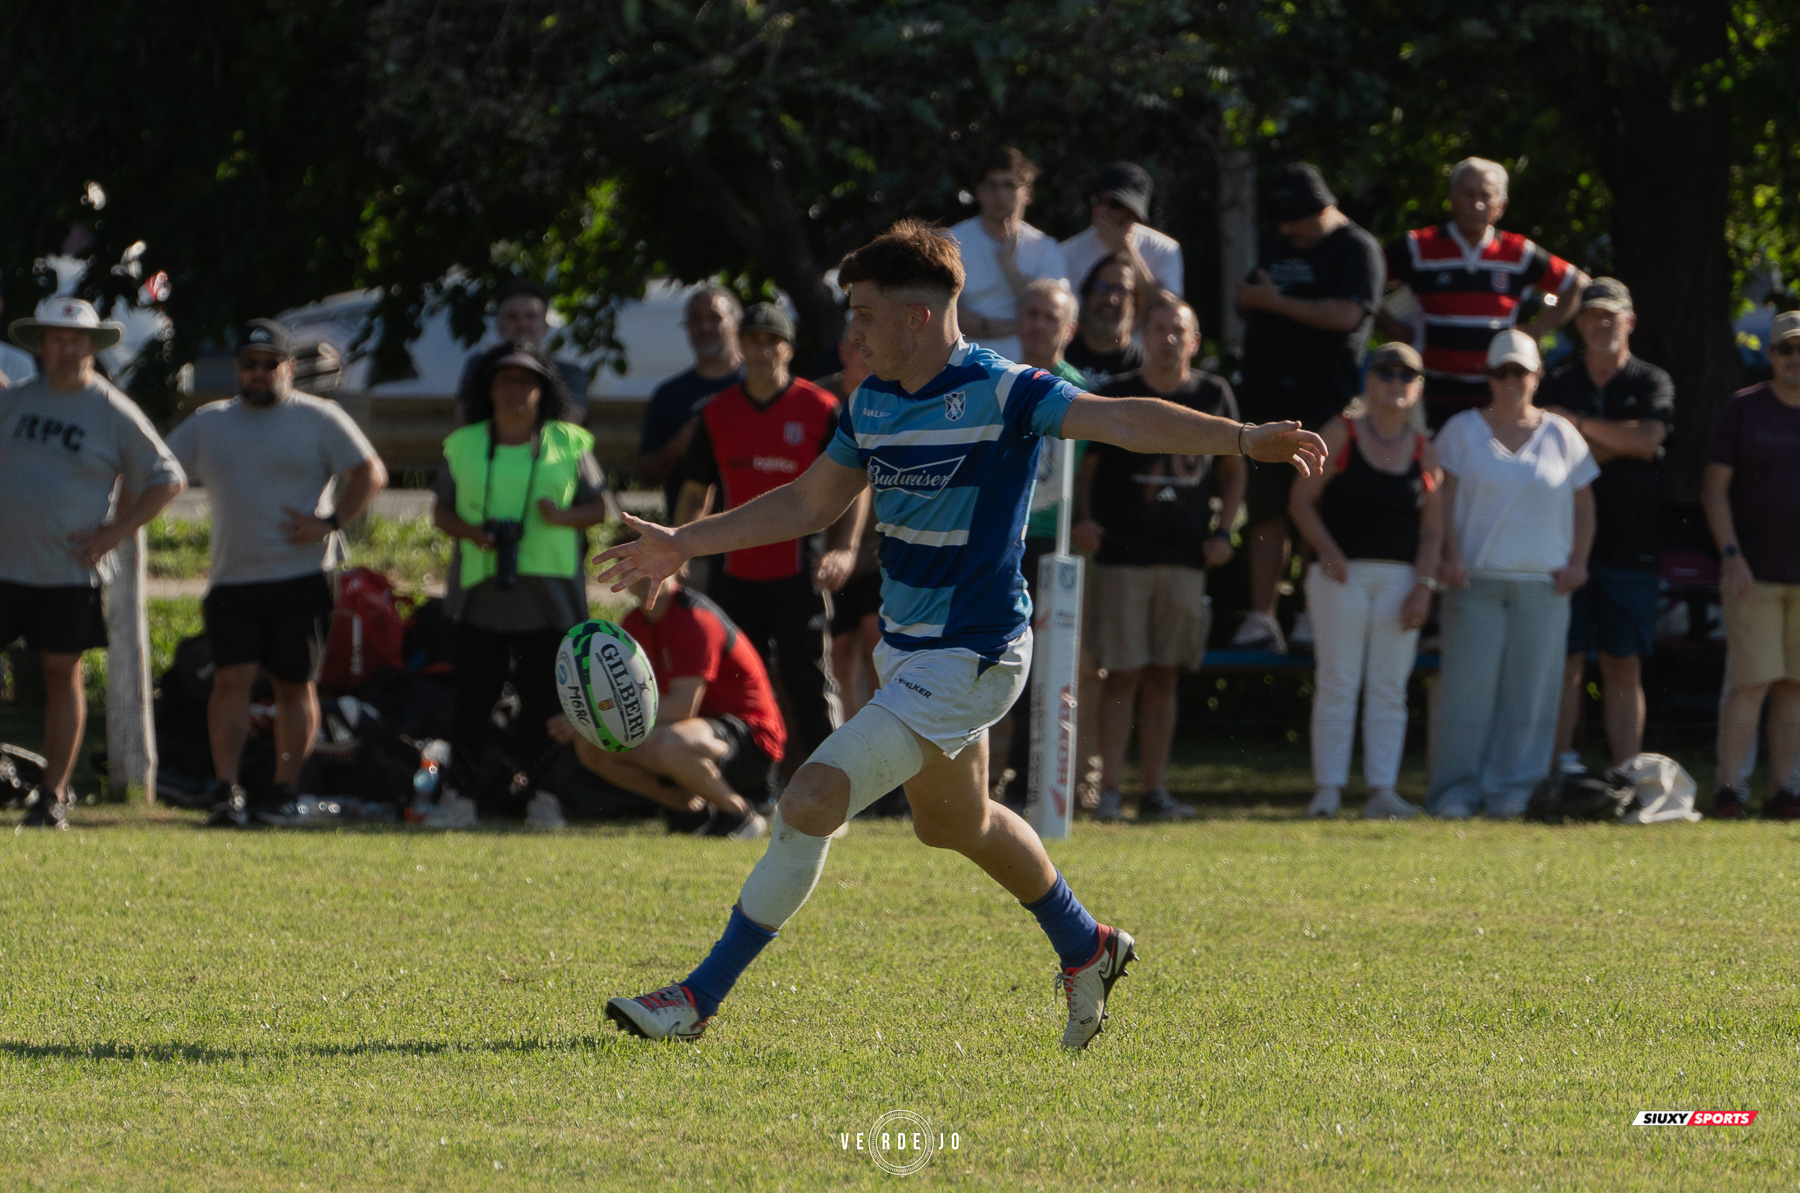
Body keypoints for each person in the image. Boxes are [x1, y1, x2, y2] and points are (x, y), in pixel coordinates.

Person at [593, 220, 1324, 1049]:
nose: (853, 332)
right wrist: (683, 541)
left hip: (975, 655)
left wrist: (1237, 438)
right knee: (955, 823)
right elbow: (806, 503)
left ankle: (696, 997)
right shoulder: (869, 401)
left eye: (864, 314)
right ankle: (1088, 945)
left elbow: (1120, 420)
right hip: (908, 652)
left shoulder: (1003, 388)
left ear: (916, 317)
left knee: (809, 798)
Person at [165, 319, 387, 827]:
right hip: (232, 577)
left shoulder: (318, 417)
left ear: (288, 368)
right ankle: (227, 789)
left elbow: (370, 472)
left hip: (303, 575)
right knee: (231, 680)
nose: (260, 374)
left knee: (294, 684)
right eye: (250, 365)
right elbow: (158, 468)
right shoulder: (209, 422)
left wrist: (330, 521)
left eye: (270, 364)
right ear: (238, 369)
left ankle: (285, 790)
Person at [0, 297, 186, 828]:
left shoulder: (111, 409)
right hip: (4, 565)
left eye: (76, 340)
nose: (65, 349)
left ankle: (52, 795)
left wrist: (118, 531)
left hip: (67, 570)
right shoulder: (13, 403)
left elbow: (166, 477)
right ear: (40, 345)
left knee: (62, 673)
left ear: (92, 347)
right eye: (56, 339)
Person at [429, 341, 616, 827]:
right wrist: (474, 533)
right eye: (506, 380)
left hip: (551, 600)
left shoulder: (570, 443)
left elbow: (602, 508)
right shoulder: (464, 443)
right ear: (488, 389)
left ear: (543, 390)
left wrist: (561, 516)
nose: (516, 390)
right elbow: (440, 511)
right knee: (471, 703)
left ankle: (545, 798)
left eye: (527, 381)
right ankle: (460, 797)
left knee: (548, 705)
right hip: (478, 596)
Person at [1075, 293, 1244, 823]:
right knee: (1120, 675)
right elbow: (1087, 468)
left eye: (1180, 330)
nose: (1169, 338)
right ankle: (1107, 793)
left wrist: (1224, 531)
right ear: (1142, 336)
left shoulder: (1212, 393)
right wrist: (1084, 519)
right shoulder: (1119, 394)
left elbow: (1237, 467)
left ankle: (1156, 791)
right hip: (1124, 557)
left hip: (1186, 559)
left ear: (1195, 341)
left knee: (1165, 675)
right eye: (1160, 328)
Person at [673, 303, 865, 764]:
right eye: (753, 340)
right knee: (741, 685)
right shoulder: (716, 413)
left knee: (809, 682)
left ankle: (834, 783)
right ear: (740, 345)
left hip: (798, 572)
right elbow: (696, 490)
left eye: (771, 340)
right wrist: (675, 551)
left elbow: (855, 486)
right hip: (733, 574)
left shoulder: (820, 408)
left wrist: (845, 548)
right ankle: (756, 785)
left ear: (788, 348)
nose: (762, 350)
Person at [1428, 330, 1597, 819]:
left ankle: (1514, 792)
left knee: (1533, 695)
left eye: (1519, 371)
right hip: (1473, 582)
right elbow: (1442, 500)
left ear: (1536, 376)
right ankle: (1454, 793)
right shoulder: (1460, 430)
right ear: (1488, 377)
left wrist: (1579, 563)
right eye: (1500, 372)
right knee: (1466, 694)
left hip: (1543, 586)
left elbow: (1585, 505)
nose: (1510, 381)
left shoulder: (1562, 434)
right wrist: (1450, 558)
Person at [1232, 163, 1386, 653]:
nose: (1285, 229)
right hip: (1266, 401)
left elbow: (1346, 313)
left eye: (1295, 219)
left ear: (1321, 210)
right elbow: (1253, 295)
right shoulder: (1281, 246)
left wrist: (1275, 304)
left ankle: (1309, 617)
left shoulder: (1357, 249)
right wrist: (1251, 301)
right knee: (1265, 509)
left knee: (1315, 507)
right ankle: (1262, 617)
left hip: (1325, 407)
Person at [1288, 343, 1444, 819]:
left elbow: (1434, 528)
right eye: (1386, 373)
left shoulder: (1425, 448)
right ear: (1368, 380)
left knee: (1389, 688)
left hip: (1401, 579)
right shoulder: (1342, 432)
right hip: (1340, 576)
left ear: (1418, 387)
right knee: (1337, 681)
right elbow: (1301, 501)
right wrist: (1329, 550)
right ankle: (1328, 791)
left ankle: (1382, 792)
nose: (1396, 383)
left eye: (1406, 375)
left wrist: (1424, 585)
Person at [1538, 279, 1675, 770]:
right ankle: (1557, 771)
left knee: (1623, 663)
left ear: (1629, 322)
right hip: (1563, 543)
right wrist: (1618, 440)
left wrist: (1576, 426)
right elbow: (1545, 449)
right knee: (1565, 664)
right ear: (1578, 324)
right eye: (1592, 316)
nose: (1601, 324)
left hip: (1631, 544)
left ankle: (1627, 775)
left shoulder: (1650, 381)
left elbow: (1649, 438)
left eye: (1610, 316)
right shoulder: (1555, 380)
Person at [550, 575, 782, 839]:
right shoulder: (633, 623)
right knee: (592, 746)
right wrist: (584, 719)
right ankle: (688, 810)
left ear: (675, 565)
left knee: (668, 742)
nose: (640, 571)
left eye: (648, 557)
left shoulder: (695, 617)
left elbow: (683, 707)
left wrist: (594, 719)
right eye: (630, 563)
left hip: (752, 741)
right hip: (691, 736)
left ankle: (739, 815)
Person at [1381, 157, 1588, 430]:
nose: (1477, 204)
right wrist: (1389, 325)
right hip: (1431, 388)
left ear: (1500, 206)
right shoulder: (1419, 246)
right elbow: (1364, 278)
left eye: (1486, 196)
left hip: (1494, 390)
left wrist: (1537, 329)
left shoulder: (1518, 252)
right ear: (1451, 199)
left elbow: (1576, 283)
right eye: (1468, 194)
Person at [1701, 309, 1800, 820]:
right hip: (1752, 572)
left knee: (1794, 685)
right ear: (1771, 356)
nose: (1795, 359)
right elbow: (1715, 489)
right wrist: (1731, 554)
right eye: (1787, 350)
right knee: (1751, 683)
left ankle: (1783, 791)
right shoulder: (1744, 409)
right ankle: (1728, 790)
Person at [995, 279, 1091, 803]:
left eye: (1048, 317)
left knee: (1048, 665)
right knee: (995, 658)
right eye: (1029, 314)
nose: (1037, 325)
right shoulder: (998, 381)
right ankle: (989, 778)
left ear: (1068, 328)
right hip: (1001, 541)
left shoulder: (1077, 387)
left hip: (1053, 546)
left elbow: (1077, 475)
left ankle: (1039, 780)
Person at [949, 147, 1069, 362]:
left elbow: (1052, 316)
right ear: (978, 192)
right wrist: (1019, 326)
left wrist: (1009, 265)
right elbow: (948, 315)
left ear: (1028, 193)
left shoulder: (1047, 248)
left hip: (1026, 368)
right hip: (964, 364)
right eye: (991, 185)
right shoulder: (952, 242)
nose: (1000, 194)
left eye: (1010, 185)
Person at [637, 285, 744, 519]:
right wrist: (679, 446)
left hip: (754, 533)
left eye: (715, 318)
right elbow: (647, 476)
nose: (705, 327)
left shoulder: (759, 388)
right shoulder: (668, 394)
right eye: (696, 320)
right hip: (689, 540)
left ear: (736, 324)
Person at [454, 279, 591, 424]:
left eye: (530, 316)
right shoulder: (480, 366)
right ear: (498, 325)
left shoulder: (570, 373)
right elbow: (465, 416)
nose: (522, 324)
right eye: (512, 317)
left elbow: (571, 421)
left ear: (545, 326)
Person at [1060, 162, 1183, 316]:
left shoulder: (1164, 249)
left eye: (1114, 204)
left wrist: (1123, 248)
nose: (1102, 210)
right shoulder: (1066, 252)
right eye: (1097, 200)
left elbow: (1168, 315)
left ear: (1133, 213)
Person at [1062, 254, 1147, 388]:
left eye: (1121, 290)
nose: (1111, 299)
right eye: (1102, 287)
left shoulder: (1144, 369)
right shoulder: (1060, 354)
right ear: (1087, 295)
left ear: (1134, 302)